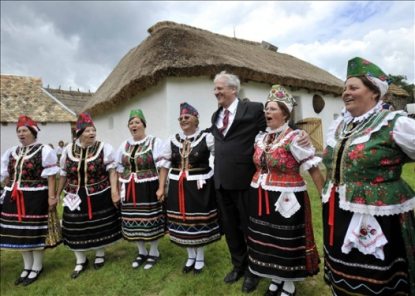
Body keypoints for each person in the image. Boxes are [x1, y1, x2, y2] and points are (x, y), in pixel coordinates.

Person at [322, 57, 415, 295]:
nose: (346, 93)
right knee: (343, 274)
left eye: (353, 87)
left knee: (376, 278)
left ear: (375, 93)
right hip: (339, 210)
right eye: (344, 88)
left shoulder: (394, 123)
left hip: (378, 215)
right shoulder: (341, 127)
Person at [247, 85, 324, 296]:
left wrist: (324, 194)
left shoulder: (295, 137)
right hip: (261, 194)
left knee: (286, 240)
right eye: (266, 108)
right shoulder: (261, 138)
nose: (267, 112)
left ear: (285, 113)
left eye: (272, 109)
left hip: (287, 198)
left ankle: (288, 283)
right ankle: (275, 278)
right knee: (269, 238)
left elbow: (313, 166)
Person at [210, 71, 267, 293]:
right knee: (231, 228)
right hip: (221, 182)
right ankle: (239, 265)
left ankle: (254, 270)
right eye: (215, 88)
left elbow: (271, 130)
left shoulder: (252, 109)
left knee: (249, 228)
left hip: (245, 181)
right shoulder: (215, 115)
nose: (216, 92)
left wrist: (296, 135)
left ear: (234, 89)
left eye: (219, 88)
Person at [56, 112, 122, 279]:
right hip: (74, 196)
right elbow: (63, 173)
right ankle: (80, 260)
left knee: (98, 226)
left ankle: (100, 254)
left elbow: (112, 171)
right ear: (79, 134)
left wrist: (114, 191)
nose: (92, 133)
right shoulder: (68, 150)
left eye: (93, 130)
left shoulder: (103, 148)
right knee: (74, 227)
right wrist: (56, 194)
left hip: (98, 193)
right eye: (87, 131)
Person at [161, 102, 220, 274]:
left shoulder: (206, 138)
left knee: (197, 220)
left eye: (186, 117)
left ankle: (199, 256)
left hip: (199, 186)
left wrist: (216, 176)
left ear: (196, 119)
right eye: (180, 118)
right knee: (182, 220)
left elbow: (220, 156)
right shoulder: (172, 140)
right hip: (177, 186)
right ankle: (190, 256)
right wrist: (161, 186)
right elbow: (164, 164)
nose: (183, 120)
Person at [0, 115, 59, 286]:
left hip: (35, 197)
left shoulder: (44, 150)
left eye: (24, 130)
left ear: (33, 132)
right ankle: (27, 267)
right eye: (19, 131)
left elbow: (51, 177)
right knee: (20, 233)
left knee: (34, 232)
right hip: (14, 197)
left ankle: (37, 267)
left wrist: (52, 197)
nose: (21, 134)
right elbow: (5, 175)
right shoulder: (11, 152)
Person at [115, 109, 167, 270]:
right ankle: (141, 251)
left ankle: (154, 251)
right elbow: (118, 167)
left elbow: (163, 166)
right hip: (128, 188)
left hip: (148, 187)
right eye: (131, 123)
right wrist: (116, 190)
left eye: (137, 122)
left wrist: (161, 188)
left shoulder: (154, 142)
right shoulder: (124, 145)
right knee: (132, 220)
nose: (134, 125)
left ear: (144, 124)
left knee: (150, 219)